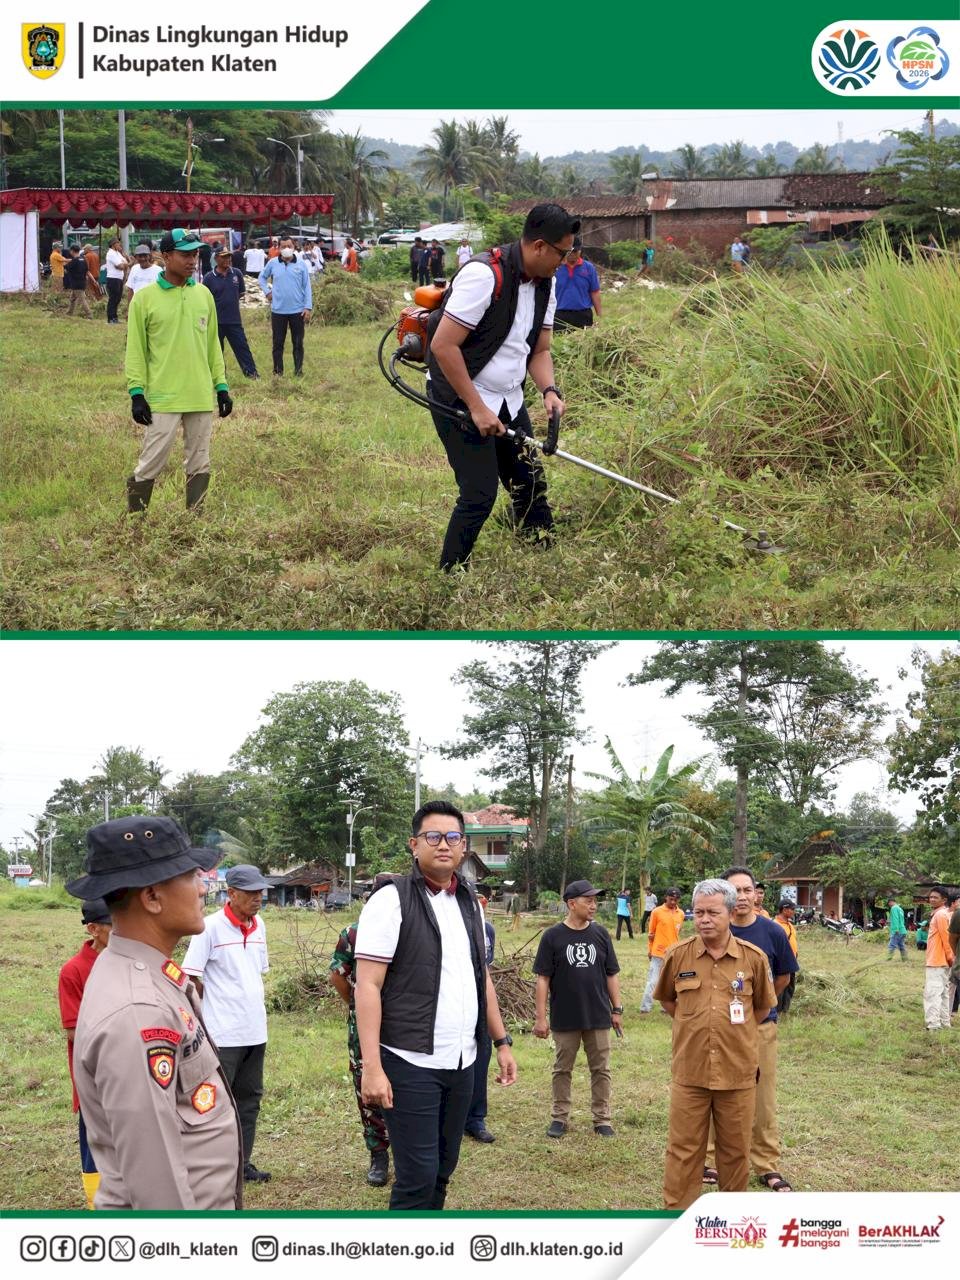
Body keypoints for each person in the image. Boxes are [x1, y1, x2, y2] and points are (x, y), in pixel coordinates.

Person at [65, 816, 242, 1210]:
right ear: (152, 898)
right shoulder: (137, 1010)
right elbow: (155, 1183)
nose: (203, 888)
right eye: (192, 876)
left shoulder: (148, 973)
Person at [353, 800, 517, 1211]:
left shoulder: (469, 903)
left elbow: (482, 977)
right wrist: (372, 1068)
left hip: (462, 1060)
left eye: (453, 837)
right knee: (416, 1177)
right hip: (410, 1063)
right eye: (433, 837)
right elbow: (367, 986)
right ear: (415, 844)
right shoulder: (391, 901)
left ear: (463, 847)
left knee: (444, 1168)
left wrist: (501, 1041)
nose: (444, 845)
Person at [426, 203, 579, 569]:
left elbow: (539, 349)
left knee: (529, 484)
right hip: (459, 397)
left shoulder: (546, 284)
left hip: (508, 399)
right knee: (478, 494)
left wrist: (549, 391)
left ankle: (543, 562)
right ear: (540, 246)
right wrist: (477, 407)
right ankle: (449, 576)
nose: (565, 261)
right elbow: (443, 346)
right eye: (562, 252)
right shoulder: (484, 276)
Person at [655, 878, 776, 1209]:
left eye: (712, 912)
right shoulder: (678, 956)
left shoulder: (753, 958)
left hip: (737, 1073)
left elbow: (762, 1008)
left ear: (729, 912)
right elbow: (668, 1001)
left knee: (735, 1151)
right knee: (683, 1149)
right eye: (698, 912)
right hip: (690, 1072)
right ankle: (676, 1217)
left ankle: (733, 1221)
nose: (705, 919)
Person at [703, 865, 799, 1192]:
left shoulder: (773, 932)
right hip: (720, 1030)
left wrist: (760, 1010)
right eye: (735, 891)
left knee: (762, 1097)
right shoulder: (713, 929)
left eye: (747, 890)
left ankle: (766, 1164)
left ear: (757, 894)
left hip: (760, 1028)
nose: (742, 897)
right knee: (716, 1091)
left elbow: (783, 977)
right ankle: (713, 1160)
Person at [124, 227, 233, 513]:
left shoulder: (204, 295)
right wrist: (136, 393)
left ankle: (195, 522)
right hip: (163, 397)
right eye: (185, 254)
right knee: (151, 462)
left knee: (200, 461)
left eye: (195, 254)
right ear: (166, 256)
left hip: (199, 395)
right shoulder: (144, 299)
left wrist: (221, 387)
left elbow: (212, 346)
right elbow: (135, 350)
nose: (192, 260)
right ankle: (136, 523)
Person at [182, 864, 272, 1182]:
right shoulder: (209, 928)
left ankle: (242, 1163)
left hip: (254, 1030)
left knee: (249, 1101)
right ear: (231, 894)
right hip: (222, 1034)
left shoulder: (259, 925)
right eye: (250, 892)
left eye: (260, 891)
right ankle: (213, 1166)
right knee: (218, 1102)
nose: (258, 898)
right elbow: (191, 975)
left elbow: (256, 972)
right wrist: (208, 1011)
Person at [533, 880, 622, 1139]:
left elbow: (611, 974)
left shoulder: (601, 934)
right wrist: (541, 1017)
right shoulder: (552, 936)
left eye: (595, 900)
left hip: (598, 1015)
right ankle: (559, 1117)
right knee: (562, 1069)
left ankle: (602, 1119)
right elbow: (543, 979)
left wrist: (617, 1009)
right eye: (588, 900)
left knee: (601, 1069)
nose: (594, 905)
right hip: (565, 1015)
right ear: (572, 904)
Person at [57, 897, 112, 1209]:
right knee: (95, 1143)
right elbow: (74, 1031)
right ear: (93, 929)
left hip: (129, 1074)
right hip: (93, 1075)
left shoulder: (128, 962)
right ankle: (97, 1205)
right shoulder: (74, 971)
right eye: (112, 924)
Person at [328, 922, 391, 1187]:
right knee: (366, 1085)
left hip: (407, 1021)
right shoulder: (355, 933)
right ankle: (378, 1154)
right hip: (364, 1021)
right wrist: (355, 1005)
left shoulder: (411, 927)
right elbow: (337, 974)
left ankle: (412, 1151)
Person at [464, 910, 498, 1144]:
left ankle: (475, 1119)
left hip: (480, 1006)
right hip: (450, 1008)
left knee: (481, 1061)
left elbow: (486, 971)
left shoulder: (487, 930)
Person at [259, 236, 312, 377]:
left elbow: (307, 287)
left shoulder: (301, 264)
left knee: (298, 343)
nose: (286, 249)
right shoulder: (272, 263)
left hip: (297, 311)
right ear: (279, 248)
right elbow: (262, 277)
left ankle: (298, 371)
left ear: (293, 246)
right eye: (283, 246)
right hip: (278, 310)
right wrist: (267, 292)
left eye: (289, 246)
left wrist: (308, 307)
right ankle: (278, 372)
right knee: (278, 343)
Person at [203, 247, 259, 380]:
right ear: (216, 258)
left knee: (242, 348)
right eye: (224, 256)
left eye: (229, 256)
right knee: (216, 351)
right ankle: (219, 377)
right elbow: (204, 299)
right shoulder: (209, 277)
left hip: (234, 320)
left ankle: (251, 374)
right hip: (216, 321)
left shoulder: (237, 273)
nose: (227, 259)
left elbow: (240, 293)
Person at [639, 887, 684, 1013]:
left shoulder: (681, 914)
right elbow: (651, 933)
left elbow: (677, 932)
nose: (673, 902)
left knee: (671, 983)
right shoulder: (656, 912)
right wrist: (650, 949)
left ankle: (667, 1007)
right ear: (666, 897)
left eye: (676, 900)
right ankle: (645, 1008)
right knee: (653, 981)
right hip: (658, 953)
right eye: (671, 899)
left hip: (674, 953)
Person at [923, 885, 955, 1031]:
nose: (932, 899)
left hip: (937, 961)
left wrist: (950, 957)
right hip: (941, 961)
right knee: (943, 994)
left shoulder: (940, 915)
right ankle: (944, 1023)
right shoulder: (943, 914)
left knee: (933, 994)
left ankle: (934, 1025)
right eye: (931, 897)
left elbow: (947, 938)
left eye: (935, 897)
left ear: (944, 900)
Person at [554, 238, 601, 330]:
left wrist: (599, 315)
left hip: (583, 315)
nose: (572, 254)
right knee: (561, 343)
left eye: (575, 251)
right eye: (570, 251)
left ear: (580, 250)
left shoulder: (588, 268)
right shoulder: (556, 267)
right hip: (560, 315)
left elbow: (594, 292)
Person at [772, 899, 799, 1014]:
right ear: (784, 910)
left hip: (791, 961)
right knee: (780, 985)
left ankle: (785, 1009)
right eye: (792, 909)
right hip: (779, 961)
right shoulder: (774, 925)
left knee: (790, 986)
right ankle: (776, 1010)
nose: (794, 912)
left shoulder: (790, 925)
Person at [63, 245, 95, 317]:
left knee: (82, 300)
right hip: (82, 282)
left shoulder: (74, 261)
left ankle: (89, 314)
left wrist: (64, 264)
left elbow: (67, 269)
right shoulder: (83, 259)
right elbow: (87, 271)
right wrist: (93, 280)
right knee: (72, 298)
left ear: (72, 251)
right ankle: (69, 313)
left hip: (76, 283)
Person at [104, 237, 130, 324]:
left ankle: (114, 317)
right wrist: (124, 265)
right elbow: (121, 266)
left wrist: (124, 264)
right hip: (113, 278)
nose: (119, 244)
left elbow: (127, 263)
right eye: (118, 243)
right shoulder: (111, 253)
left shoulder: (118, 253)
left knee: (118, 299)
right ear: (113, 244)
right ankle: (111, 318)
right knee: (113, 299)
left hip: (119, 278)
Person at [947, 889, 960, 1016]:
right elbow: (952, 938)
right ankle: (950, 1011)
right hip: (957, 962)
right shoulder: (957, 914)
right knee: (952, 985)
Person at [886, 893, 908, 962]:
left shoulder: (894, 908)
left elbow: (895, 919)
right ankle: (905, 959)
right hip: (903, 930)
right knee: (901, 946)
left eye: (889, 903)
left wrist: (896, 929)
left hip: (897, 930)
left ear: (891, 902)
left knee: (891, 945)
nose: (889, 905)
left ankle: (888, 959)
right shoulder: (900, 909)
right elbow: (902, 920)